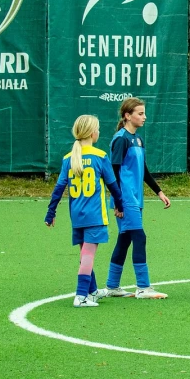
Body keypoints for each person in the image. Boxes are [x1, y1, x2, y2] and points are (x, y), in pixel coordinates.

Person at [45, 115, 125, 308]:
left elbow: (59, 188)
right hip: (95, 215)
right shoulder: (100, 156)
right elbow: (113, 186)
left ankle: (92, 291)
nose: (99, 132)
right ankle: (81, 296)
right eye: (97, 129)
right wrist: (120, 205)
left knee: (84, 255)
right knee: (88, 256)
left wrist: (51, 212)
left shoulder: (68, 158)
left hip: (77, 216)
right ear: (91, 133)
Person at [100, 98, 171, 300]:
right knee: (139, 237)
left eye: (144, 113)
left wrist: (159, 192)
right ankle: (143, 287)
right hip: (125, 198)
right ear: (127, 116)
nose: (144, 117)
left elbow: (144, 170)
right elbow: (112, 173)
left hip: (135, 198)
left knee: (125, 239)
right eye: (140, 113)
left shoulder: (138, 139)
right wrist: (118, 202)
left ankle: (112, 286)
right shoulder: (121, 139)